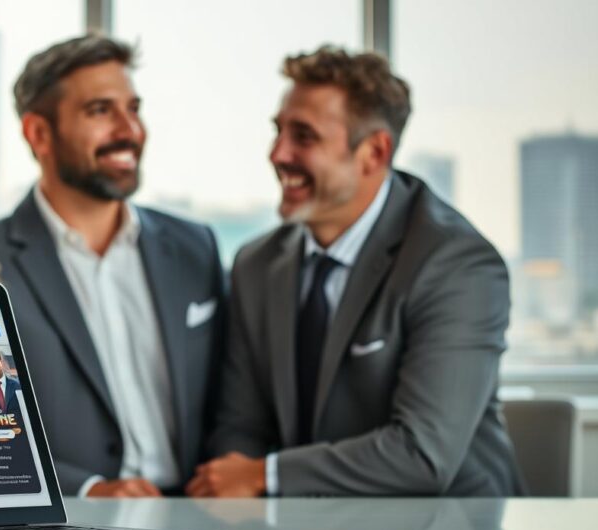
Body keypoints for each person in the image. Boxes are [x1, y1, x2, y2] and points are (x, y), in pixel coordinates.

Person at [187, 46, 524, 497]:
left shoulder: (455, 265)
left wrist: (263, 476)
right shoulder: (257, 264)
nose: (277, 153)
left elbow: (421, 454)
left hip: (447, 527)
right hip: (302, 526)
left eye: (304, 137)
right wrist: (235, 483)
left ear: (374, 152)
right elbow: (240, 426)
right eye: (278, 131)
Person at [0, 35, 224, 498]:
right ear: (38, 134)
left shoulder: (195, 247)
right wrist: (90, 490)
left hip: (204, 512)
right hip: (76, 516)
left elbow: (237, 398)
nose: (129, 129)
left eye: (133, 109)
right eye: (100, 111)